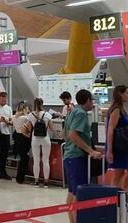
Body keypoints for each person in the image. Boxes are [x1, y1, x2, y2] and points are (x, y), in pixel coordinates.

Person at [63, 89, 102, 223]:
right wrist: (90, 151)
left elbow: (65, 134)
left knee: (72, 192)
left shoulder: (72, 111)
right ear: (87, 100)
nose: (93, 103)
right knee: (78, 194)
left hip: (69, 156)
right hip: (77, 157)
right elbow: (72, 135)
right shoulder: (81, 113)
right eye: (92, 100)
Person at [26, 98, 53, 187]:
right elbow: (52, 128)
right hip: (45, 139)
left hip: (35, 139)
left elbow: (29, 129)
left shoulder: (30, 115)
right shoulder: (47, 115)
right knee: (46, 161)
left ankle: (36, 182)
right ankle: (46, 182)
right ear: (42, 104)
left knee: (36, 161)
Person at [106, 85, 128, 189]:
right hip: (118, 147)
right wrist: (109, 151)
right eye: (127, 93)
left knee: (121, 173)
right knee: (119, 173)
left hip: (123, 146)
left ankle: (121, 196)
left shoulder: (121, 109)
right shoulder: (116, 110)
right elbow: (110, 130)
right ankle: (115, 198)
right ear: (120, 94)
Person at [12, 101, 31, 184]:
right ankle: (20, 177)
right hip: (24, 139)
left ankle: (21, 176)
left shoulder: (14, 117)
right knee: (24, 158)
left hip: (17, 138)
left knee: (23, 157)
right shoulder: (25, 118)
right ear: (24, 109)